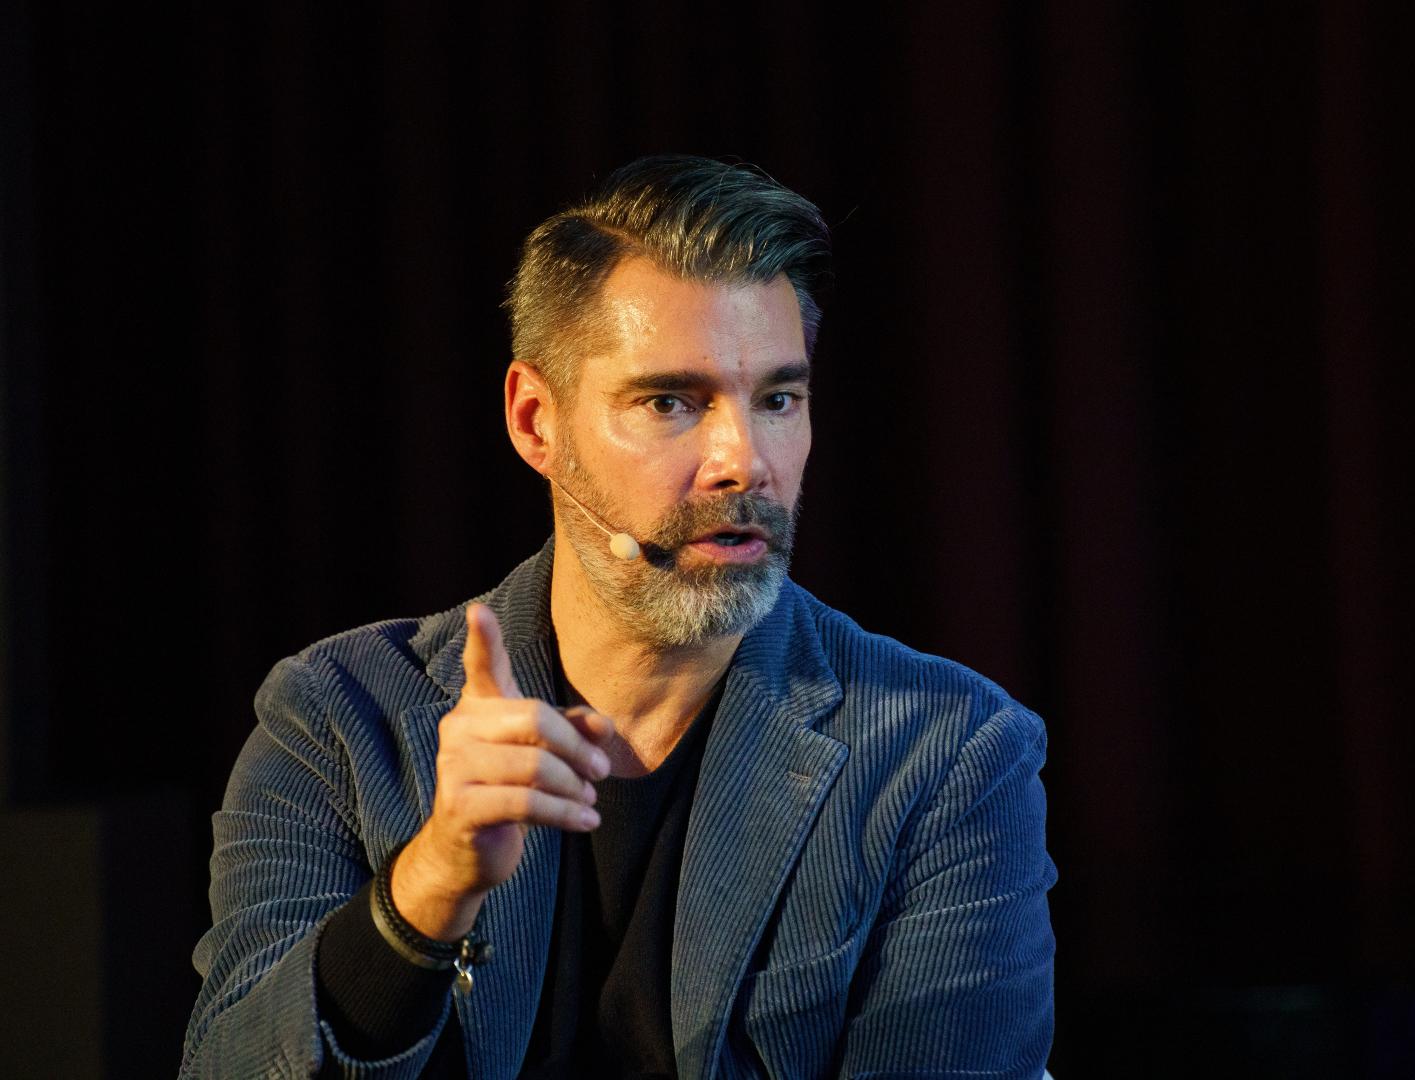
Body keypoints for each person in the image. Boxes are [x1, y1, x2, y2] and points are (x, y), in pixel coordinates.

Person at [181, 155, 1056, 1079]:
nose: (744, 460)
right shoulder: (338, 717)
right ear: (535, 421)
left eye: (778, 399)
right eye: (671, 402)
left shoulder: (944, 752)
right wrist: (427, 889)